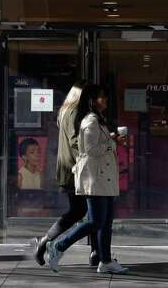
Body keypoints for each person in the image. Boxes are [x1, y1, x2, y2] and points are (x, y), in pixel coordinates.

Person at [44, 84, 128, 274]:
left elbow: (97, 144)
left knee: (106, 222)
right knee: (96, 222)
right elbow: (90, 150)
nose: (105, 100)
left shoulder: (98, 119)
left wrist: (111, 139)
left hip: (103, 178)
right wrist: (112, 143)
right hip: (94, 178)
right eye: (101, 97)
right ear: (92, 100)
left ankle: (105, 261)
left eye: (105, 97)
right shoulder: (90, 120)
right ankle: (58, 246)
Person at [33, 80, 98, 266]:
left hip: (70, 169)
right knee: (89, 212)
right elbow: (75, 141)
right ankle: (47, 243)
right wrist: (93, 154)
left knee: (85, 212)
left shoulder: (65, 111)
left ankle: (96, 253)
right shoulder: (75, 112)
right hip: (78, 170)